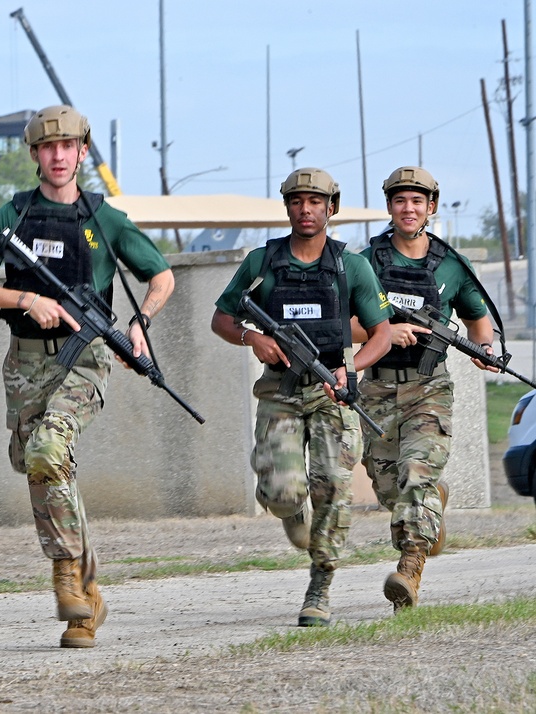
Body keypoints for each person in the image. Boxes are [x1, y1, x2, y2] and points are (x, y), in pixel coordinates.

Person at [0, 105, 175, 648]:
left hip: (86, 357)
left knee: (49, 447)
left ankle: (65, 575)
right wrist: (25, 297)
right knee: (41, 466)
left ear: (83, 152)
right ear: (34, 154)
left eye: (69, 146)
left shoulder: (107, 220)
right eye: (48, 147)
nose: (59, 156)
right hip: (26, 362)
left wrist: (140, 323)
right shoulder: (13, 215)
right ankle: (88, 595)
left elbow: (162, 276)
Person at [210, 167, 392, 627]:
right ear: (287, 207)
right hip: (280, 390)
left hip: (333, 393)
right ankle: (289, 509)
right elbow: (222, 319)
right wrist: (253, 339)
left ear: (331, 208)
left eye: (315, 202)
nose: (305, 209)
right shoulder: (262, 262)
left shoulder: (351, 266)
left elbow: (382, 334)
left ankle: (320, 586)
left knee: (332, 485)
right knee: (284, 491)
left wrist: (349, 368)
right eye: (296, 201)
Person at [355, 166, 498, 612]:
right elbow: (344, 323)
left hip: (428, 388)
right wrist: (384, 333)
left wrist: (484, 346)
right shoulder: (365, 262)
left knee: (416, 475)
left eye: (417, 201)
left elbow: (478, 320)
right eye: (400, 200)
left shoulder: (451, 264)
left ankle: (409, 570)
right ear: (390, 208)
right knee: (390, 488)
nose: (409, 208)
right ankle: (432, 506)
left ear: (431, 207)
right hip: (376, 389)